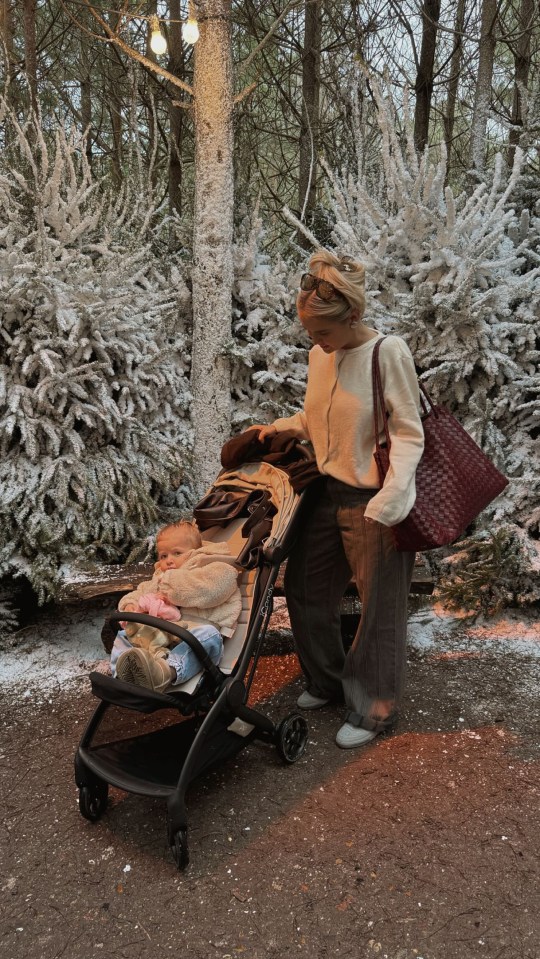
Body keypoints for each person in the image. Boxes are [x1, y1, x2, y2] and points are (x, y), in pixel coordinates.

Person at [251, 250, 424, 748]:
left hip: (375, 498)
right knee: (305, 588)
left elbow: (410, 433)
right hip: (324, 492)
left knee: (379, 608)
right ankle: (327, 681)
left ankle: (372, 710)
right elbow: (317, 417)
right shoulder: (319, 355)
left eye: (322, 333)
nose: (316, 344)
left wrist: (394, 493)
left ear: (352, 315)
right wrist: (279, 428)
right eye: (309, 333)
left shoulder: (387, 353)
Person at [110, 519, 242, 694]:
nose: (168, 561)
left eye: (176, 553)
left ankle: (164, 672)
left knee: (209, 636)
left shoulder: (215, 567)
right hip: (161, 637)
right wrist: (130, 605)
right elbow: (141, 591)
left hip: (194, 634)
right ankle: (123, 673)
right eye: (163, 556)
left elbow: (213, 591)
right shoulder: (160, 576)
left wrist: (171, 583)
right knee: (125, 633)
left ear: (195, 551)